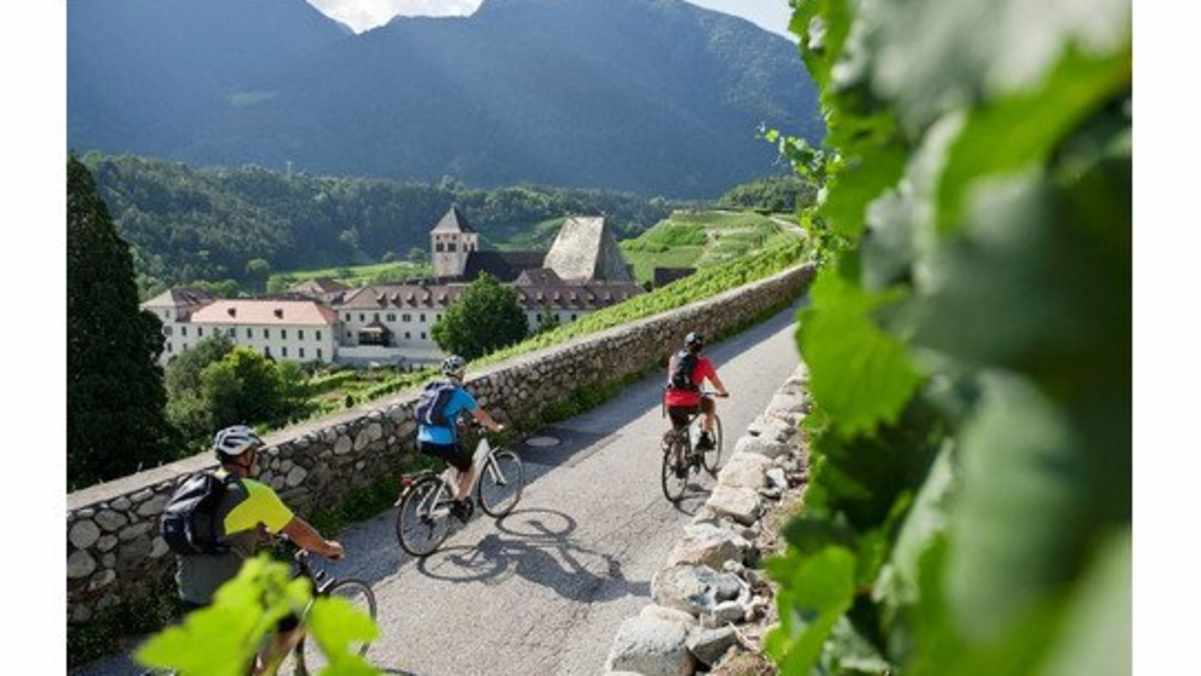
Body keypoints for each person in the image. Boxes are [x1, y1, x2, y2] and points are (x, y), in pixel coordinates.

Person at [174, 425, 344, 674]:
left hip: (189, 591)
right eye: (254, 452)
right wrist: (328, 548)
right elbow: (301, 533)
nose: (257, 458)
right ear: (244, 456)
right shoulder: (253, 493)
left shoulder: (199, 488)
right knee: (292, 618)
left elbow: (216, 532)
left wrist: (256, 534)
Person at [417, 355, 505, 521]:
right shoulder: (460, 394)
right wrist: (495, 427)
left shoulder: (434, 388)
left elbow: (439, 413)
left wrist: (457, 421)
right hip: (442, 442)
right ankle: (458, 503)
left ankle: (449, 491)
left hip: (422, 439)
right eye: (463, 371)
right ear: (460, 373)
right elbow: (482, 417)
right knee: (469, 467)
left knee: (454, 463)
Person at [664, 332, 729, 451]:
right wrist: (723, 392)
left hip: (671, 402)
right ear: (701, 347)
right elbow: (716, 383)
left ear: (686, 344)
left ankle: (677, 461)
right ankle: (703, 438)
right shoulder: (703, 362)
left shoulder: (673, 359)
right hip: (691, 402)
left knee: (679, 430)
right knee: (710, 405)